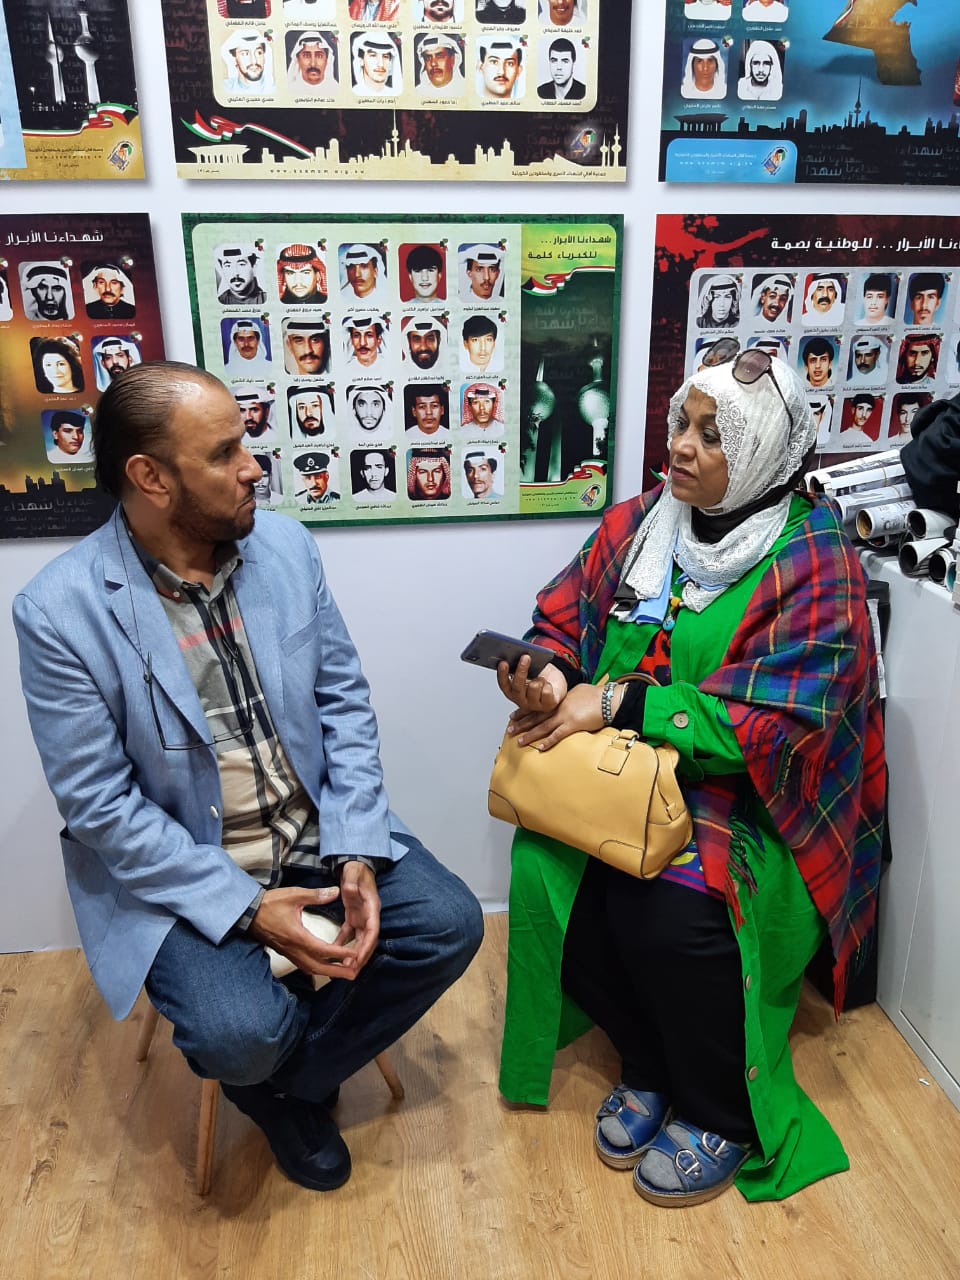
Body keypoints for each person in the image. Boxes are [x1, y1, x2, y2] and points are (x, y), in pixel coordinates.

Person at [13, 362, 482, 1193]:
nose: (254, 466)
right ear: (151, 478)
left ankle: (283, 1091)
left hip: (310, 831)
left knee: (450, 924)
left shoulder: (286, 549)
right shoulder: (59, 610)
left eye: (245, 443)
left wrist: (355, 847)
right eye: (225, 452)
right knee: (238, 1032)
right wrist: (247, 907)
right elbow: (101, 808)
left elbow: (343, 705)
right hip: (186, 870)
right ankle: (281, 1067)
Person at [493, 344, 884, 1208]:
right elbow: (561, 615)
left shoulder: (816, 558)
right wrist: (550, 672)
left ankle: (719, 1111)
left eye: (713, 435)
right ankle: (650, 1062)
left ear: (764, 454)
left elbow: (778, 730)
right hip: (625, 773)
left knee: (671, 907)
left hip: (753, 799)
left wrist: (620, 700)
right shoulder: (642, 520)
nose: (680, 446)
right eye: (682, 422)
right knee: (548, 875)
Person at [221, 29, 275, 94]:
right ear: (234, 60)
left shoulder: (276, 89)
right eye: (245, 54)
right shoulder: (224, 89)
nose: (254, 61)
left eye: (259, 53)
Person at [351, 32, 402, 96]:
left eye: (385, 56)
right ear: (361, 61)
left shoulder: (396, 95)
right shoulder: (353, 94)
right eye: (373, 56)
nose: (381, 64)